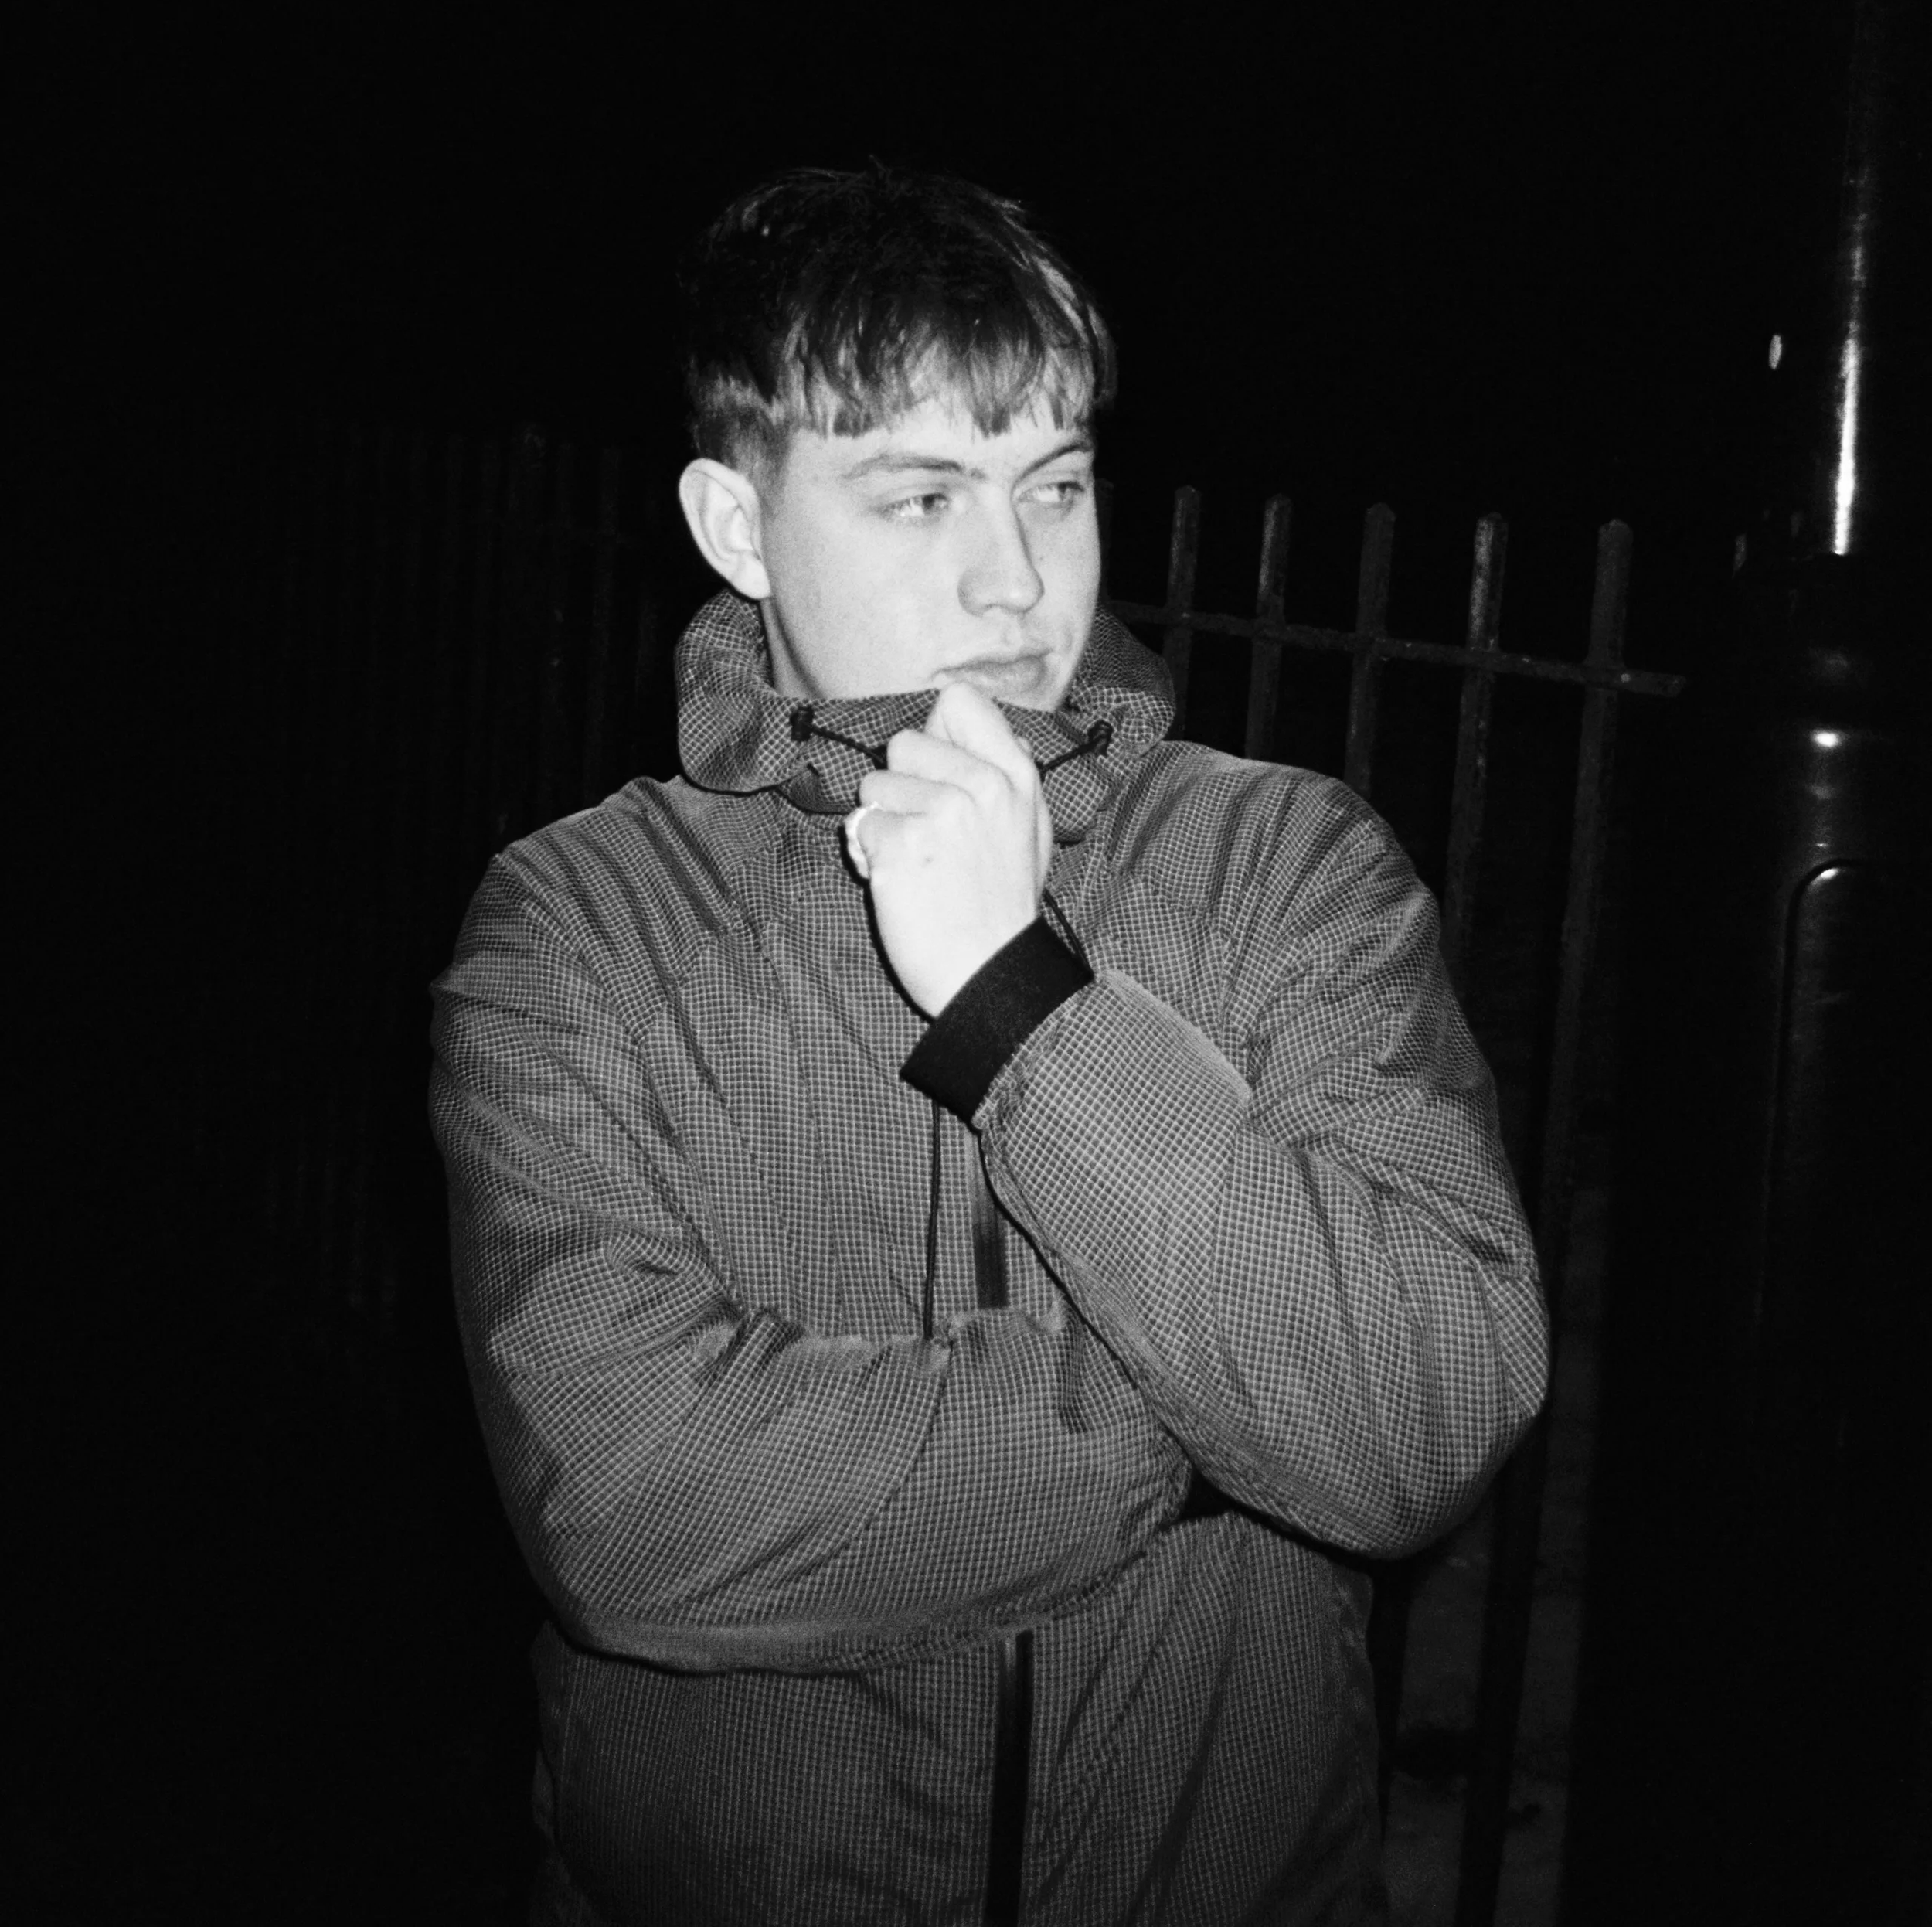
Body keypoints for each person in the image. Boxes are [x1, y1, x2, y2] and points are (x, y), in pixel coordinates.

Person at [430, 164, 1548, 1927]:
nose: (1016, 577)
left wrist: (1021, 999)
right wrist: (1219, 1423)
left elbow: (1418, 1414)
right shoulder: (582, 920)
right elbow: (631, 1511)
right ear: (737, 526)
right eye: (920, 496)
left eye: (1055, 486)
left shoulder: (1284, 864)